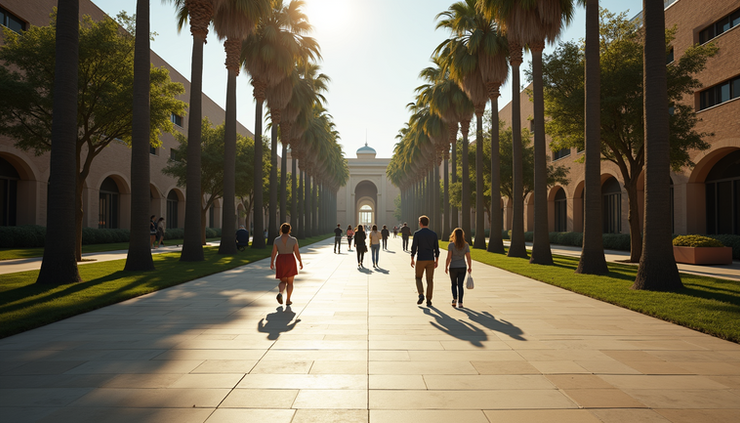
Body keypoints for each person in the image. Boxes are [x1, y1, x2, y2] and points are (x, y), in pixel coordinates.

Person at [270, 223, 303, 306]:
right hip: (290, 260)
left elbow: (274, 252)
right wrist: (300, 262)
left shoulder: (277, 240)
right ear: (289, 230)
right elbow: (297, 252)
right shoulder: (293, 240)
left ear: (281, 230)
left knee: (283, 280)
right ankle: (288, 300)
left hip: (280, 259)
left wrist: (272, 262)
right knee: (290, 282)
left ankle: (280, 293)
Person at [410, 215, 439, 307]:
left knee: (418, 277)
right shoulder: (433, 234)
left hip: (421, 259)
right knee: (430, 280)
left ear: (421, 223)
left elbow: (414, 247)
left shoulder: (417, 234)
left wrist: (412, 258)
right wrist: (436, 260)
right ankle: (429, 299)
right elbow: (436, 249)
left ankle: (421, 294)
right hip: (430, 259)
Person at [445, 227, 472, 308]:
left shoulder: (451, 245)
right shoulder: (466, 245)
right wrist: (470, 267)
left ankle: (454, 299)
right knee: (460, 285)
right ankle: (460, 302)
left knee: (453, 284)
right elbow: (468, 257)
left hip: (453, 267)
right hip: (462, 266)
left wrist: (446, 266)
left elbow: (449, 257)